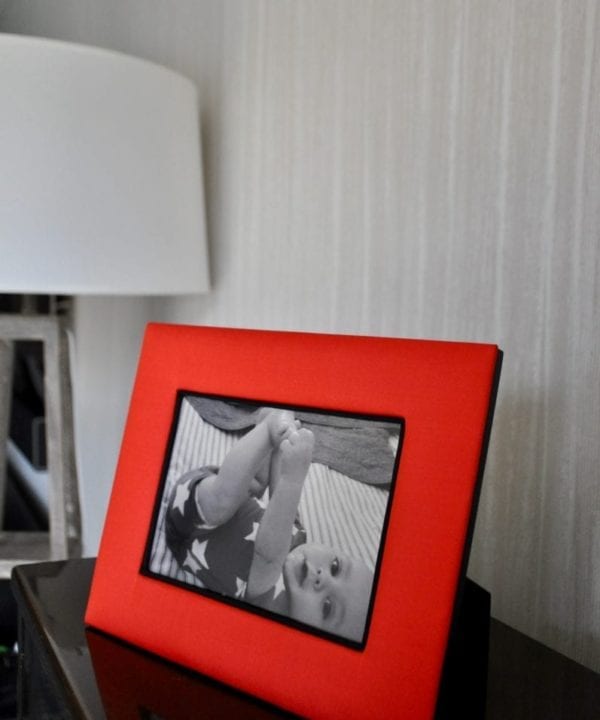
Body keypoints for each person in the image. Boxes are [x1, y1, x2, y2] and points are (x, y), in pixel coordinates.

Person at [164, 408, 373, 643]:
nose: (321, 577)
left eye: (327, 607)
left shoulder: (272, 610)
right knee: (255, 485)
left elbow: (269, 555)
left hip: (189, 524)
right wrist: (282, 445)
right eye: (335, 567)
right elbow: (279, 495)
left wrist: (294, 477)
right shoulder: (299, 539)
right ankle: (269, 432)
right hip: (221, 493)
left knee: (225, 501)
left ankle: (266, 427)